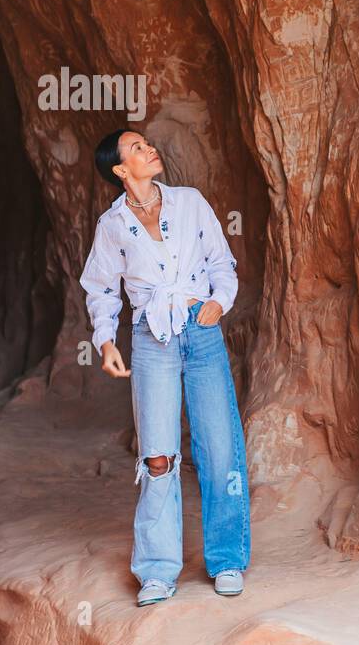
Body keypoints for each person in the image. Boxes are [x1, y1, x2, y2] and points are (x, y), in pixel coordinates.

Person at [78, 129, 251, 606]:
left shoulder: (189, 202)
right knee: (157, 456)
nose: (148, 149)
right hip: (152, 338)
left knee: (219, 448)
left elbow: (221, 261)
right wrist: (106, 339)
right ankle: (157, 569)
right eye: (136, 148)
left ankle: (227, 560)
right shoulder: (111, 225)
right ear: (119, 170)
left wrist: (219, 303)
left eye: (145, 143)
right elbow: (101, 288)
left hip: (200, 328)